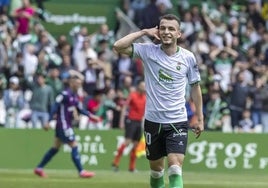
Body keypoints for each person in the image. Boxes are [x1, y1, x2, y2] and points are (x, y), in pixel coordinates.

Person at [113, 14, 204, 188]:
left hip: (177, 120)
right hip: (153, 121)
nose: (166, 32)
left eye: (171, 29)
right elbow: (118, 46)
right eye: (163, 28)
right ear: (158, 31)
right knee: (156, 171)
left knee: (175, 167)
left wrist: (200, 118)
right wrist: (143, 32)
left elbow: (195, 88)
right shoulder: (148, 51)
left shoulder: (188, 58)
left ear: (178, 33)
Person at [34, 70, 99, 178]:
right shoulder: (64, 94)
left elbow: (80, 109)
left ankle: (39, 168)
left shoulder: (75, 96)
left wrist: (92, 116)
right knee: (74, 145)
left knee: (55, 148)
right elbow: (55, 106)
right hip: (63, 125)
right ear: (71, 83)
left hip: (63, 125)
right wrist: (48, 121)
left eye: (79, 84)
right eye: (77, 83)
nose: (79, 85)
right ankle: (81, 171)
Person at [112, 79, 146, 172]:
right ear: (138, 86)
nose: (144, 87)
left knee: (136, 144)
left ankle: (131, 167)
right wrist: (121, 121)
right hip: (131, 121)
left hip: (139, 122)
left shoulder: (145, 97)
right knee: (127, 142)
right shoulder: (132, 95)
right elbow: (125, 107)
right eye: (142, 85)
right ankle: (115, 163)